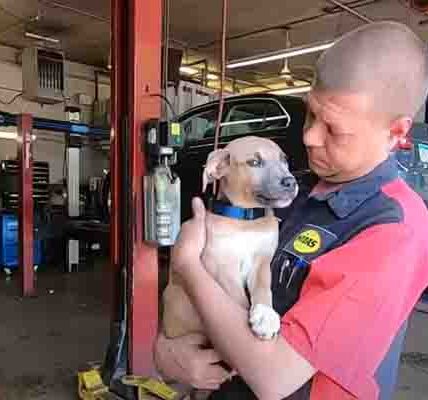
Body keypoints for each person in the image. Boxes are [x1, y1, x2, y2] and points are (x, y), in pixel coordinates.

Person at [154, 21, 428, 399]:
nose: (310, 137)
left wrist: (186, 264)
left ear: (396, 132)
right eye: (310, 115)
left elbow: (274, 378)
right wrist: (167, 351)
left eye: (333, 129)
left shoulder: (394, 229)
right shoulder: (296, 191)